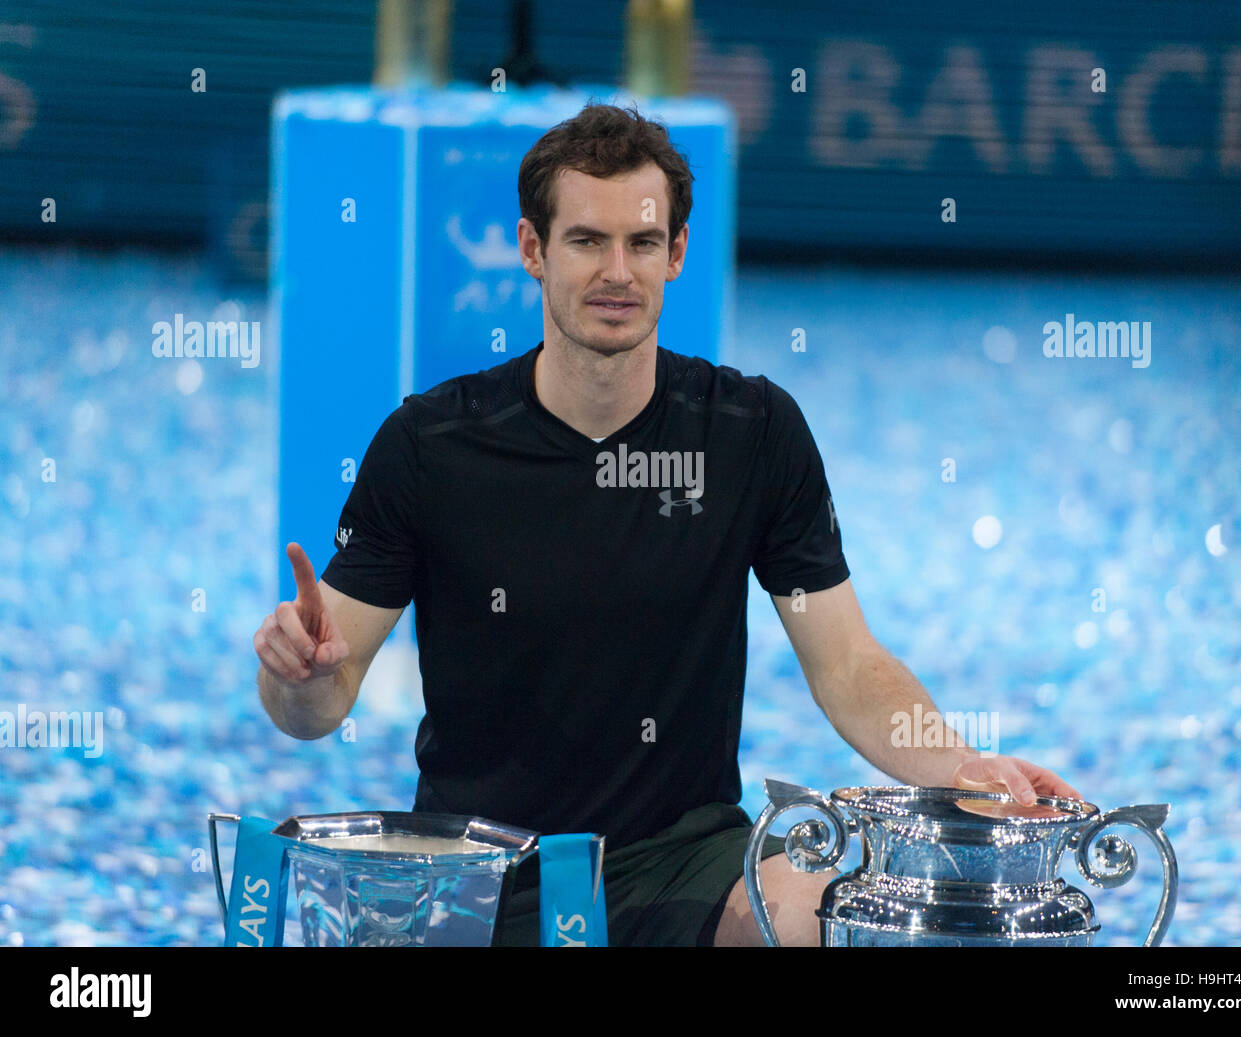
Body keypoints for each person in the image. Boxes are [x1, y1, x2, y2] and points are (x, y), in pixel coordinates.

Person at [253, 101, 1081, 947]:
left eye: (642, 242)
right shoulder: (431, 445)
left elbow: (849, 663)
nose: (618, 271)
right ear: (532, 250)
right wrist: (296, 672)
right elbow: (317, 702)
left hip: (689, 854)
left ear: (677, 253)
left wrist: (957, 763)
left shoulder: (752, 431)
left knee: (824, 911)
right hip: (486, 872)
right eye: (586, 241)